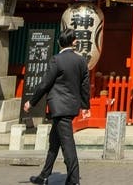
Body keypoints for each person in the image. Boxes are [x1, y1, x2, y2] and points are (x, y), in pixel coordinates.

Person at [23, 28, 91, 185]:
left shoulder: (56, 60)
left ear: (60, 42)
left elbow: (45, 83)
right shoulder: (81, 61)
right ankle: (44, 176)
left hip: (59, 107)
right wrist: (85, 105)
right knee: (54, 142)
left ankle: (73, 180)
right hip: (71, 106)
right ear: (74, 42)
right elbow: (85, 85)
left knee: (68, 145)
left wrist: (31, 102)